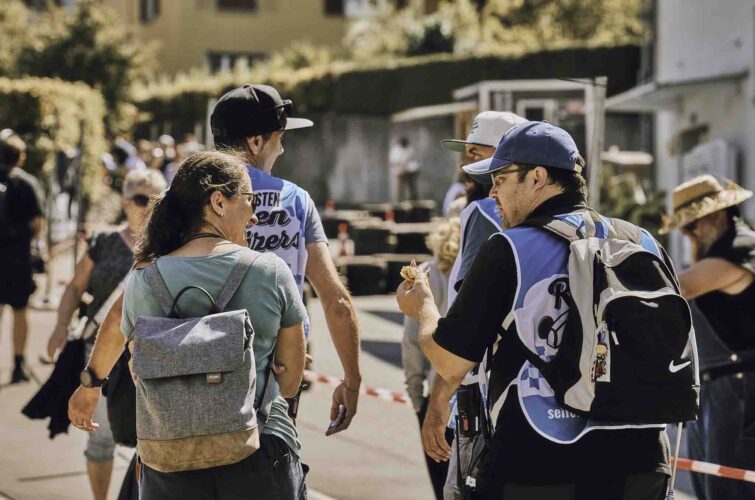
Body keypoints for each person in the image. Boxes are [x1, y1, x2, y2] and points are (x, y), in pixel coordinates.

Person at [397, 122, 673, 500]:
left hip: (537, 464)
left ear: (538, 177)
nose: (492, 191)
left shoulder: (509, 248)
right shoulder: (643, 242)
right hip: (642, 463)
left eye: (501, 178)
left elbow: (450, 363)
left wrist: (423, 307)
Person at [76, 151, 308, 499]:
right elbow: (290, 380)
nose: (254, 214)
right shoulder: (270, 272)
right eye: (249, 199)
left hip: (168, 460)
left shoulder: (146, 278)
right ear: (218, 202)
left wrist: (91, 384)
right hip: (258, 452)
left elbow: (137, 366)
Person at [210, 83, 362, 432]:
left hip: (192, 367)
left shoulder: (179, 196)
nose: (282, 148)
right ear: (256, 141)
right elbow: (336, 301)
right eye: (279, 138)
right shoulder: (295, 201)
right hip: (276, 374)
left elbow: (144, 280)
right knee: (271, 461)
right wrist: (352, 381)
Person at [423, 111, 526, 500]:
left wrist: (437, 403)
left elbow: (465, 323)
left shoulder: (479, 212)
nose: (464, 166)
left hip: (481, 396)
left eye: (476, 154)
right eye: (465, 154)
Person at [46, 169, 166, 500]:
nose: (150, 206)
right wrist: (60, 326)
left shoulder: (171, 249)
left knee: (151, 438)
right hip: (100, 350)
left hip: (147, 354)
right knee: (100, 436)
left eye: (158, 199)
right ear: (125, 202)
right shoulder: (104, 242)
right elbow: (75, 288)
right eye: (142, 198)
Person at [660, 175, 755, 500]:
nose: (688, 234)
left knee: (731, 490)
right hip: (717, 391)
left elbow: (681, 287)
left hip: (741, 389)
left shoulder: (742, 246)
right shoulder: (722, 250)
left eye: (691, 225)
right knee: (712, 489)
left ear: (716, 215)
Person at [402, 218, 460, 500]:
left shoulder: (427, 275)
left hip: (436, 395)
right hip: (471, 393)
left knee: (441, 480)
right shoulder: (481, 270)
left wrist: (416, 394)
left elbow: (412, 341)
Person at [0, 129, 45, 384]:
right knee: (19, 311)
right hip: (18, 258)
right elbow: (38, 224)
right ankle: (17, 366)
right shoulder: (27, 183)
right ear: (21, 157)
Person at [390, 137, 420, 201]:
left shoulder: (410, 149)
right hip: (399, 172)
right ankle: (399, 201)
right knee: (399, 189)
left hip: (409, 171)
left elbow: (414, 161)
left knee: (412, 187)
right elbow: (394, 161)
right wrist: (401, 166)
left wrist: (409, 167)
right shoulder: (396, 150)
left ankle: (414, 200)